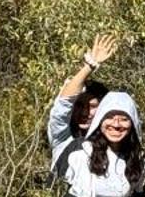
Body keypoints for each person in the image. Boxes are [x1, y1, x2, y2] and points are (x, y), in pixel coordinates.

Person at [46, 34, 120, 165]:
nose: (85, 112)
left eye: (92, 106)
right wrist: (90, 66)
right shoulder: (62, 136)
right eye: (80, 105)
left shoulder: (113, 141)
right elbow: (63, 104)